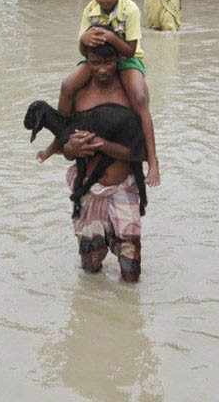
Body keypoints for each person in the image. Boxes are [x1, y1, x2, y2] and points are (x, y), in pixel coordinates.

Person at [37, 0, 160, 187]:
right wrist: (84, 39)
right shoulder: (90, 10)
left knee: (139, 97)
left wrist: (112, 38)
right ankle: (59, 139)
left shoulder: (130, 9)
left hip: (125, 58)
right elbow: (83, 49)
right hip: (96, 58)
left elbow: (131, 50)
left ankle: (153, 161)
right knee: (67, 85)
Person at [62, 40, 145, 281]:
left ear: (119, 60)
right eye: (94, 63)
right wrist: (71, 148)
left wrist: (104, 145)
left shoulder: (132, 92)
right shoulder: (77, 94)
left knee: (131, 268)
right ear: (85, 61)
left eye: (108, 62)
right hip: (88, 189)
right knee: (90, 265)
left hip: (124, 187)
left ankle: (129, 314)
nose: (101, 70)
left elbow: (140, 153)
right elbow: (64, 147)